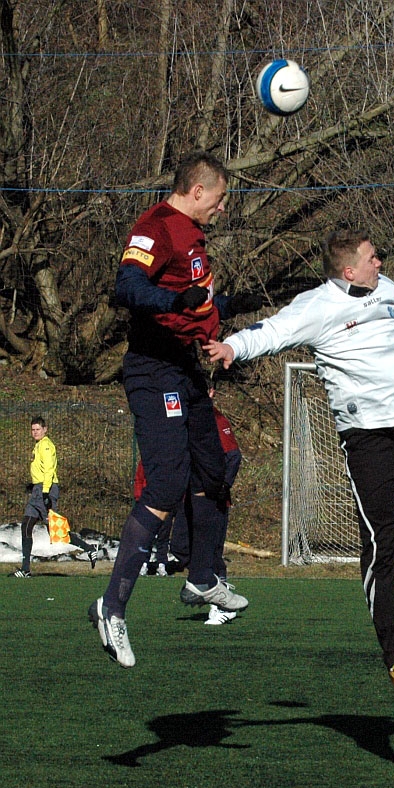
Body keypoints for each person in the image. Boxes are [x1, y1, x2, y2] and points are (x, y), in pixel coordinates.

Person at [204, 228, 394, 703]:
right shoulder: (317, 306)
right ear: (349, 270)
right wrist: (232, 347)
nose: (380, 263)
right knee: (380, 547)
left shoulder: (388, 291)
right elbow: (273, 332)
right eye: (373, 257)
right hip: (369, 443)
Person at [88, 151, 259, 668]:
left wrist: (241, 302)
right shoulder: (157, 225)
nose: (224, 209)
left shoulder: (195, 239)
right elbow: (128, 287)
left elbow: (199, 304)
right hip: (152, 370)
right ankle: (112, 608)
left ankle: (203, 578)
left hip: (184, 371)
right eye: (222, 198)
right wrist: (176, 304)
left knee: (216, 466)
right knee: (165, 484)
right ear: (199, 191)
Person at [170, 386, 243, 624]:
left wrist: (221, 486)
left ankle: (223, 602)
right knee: (180, 547)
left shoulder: (215, 418)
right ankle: (206, 582)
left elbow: (233, 455)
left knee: (210, 552)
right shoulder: (181, 419)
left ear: (210, 392)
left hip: (211, 499)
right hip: (187, 498)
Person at [11, 416, 98, 577]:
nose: (35, 432)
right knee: (26, 526)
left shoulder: (46, 446)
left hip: (45, 489)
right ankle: (25, 569)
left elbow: (49, 470)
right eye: (33, 429)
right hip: (38, 490)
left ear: (45, 429)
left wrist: (45, 492)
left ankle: (89, 549)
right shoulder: (39, 445)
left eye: (38, 429)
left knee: (56, 531)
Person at [133, 460, 172, 576]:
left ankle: (161, 564)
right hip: (148, 501)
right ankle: (143, 563)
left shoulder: (170, 461)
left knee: (163, 535)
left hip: (165, 502)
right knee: (146, 535)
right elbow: (139, 479)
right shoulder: (145, 461)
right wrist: (139, 497)